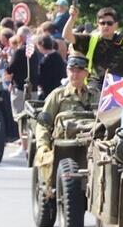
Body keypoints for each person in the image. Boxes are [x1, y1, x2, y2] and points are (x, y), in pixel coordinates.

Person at [34, 54, 95, 182]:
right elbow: (44, 123)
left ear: (86, 73)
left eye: (79, 71)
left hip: (91, 143)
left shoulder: (95, 95)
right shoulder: (58, 95)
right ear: (67, 71)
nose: (74, 74)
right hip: (63, 144)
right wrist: (43, 145)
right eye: (71, 70)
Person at [63, 6, 123, 91]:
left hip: (119, 87)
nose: (105, 26)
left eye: (109, 23)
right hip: (96, 87)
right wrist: (72, 18)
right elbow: (66, 36)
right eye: (102, 23)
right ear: (97, 25)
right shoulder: (90, 39)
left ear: (116, 25)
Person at [35, 35, 66, 99]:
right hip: (59, 88)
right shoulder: (58, 56)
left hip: (48, 91)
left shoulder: (45, 61)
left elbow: (42, 78)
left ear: (41, 45)